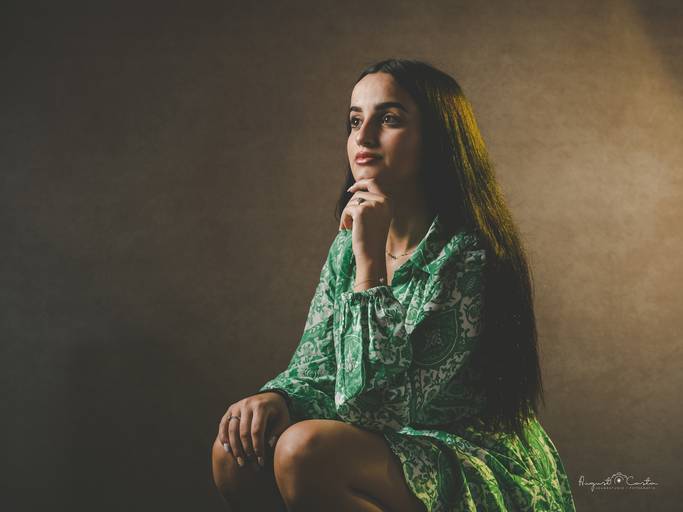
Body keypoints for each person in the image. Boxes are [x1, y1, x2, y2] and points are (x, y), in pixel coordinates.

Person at [211, 58, 577, 511]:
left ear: (437, 139)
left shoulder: (467, 255)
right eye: (355, 121)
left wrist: (369, 265)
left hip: (464, 454)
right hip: (384, 447)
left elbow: (377, 410)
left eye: (388, 119)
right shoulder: (346, 248)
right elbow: (317, 367)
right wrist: (276, 398)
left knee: (303, 451)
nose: (363, 138)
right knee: (236, 451)